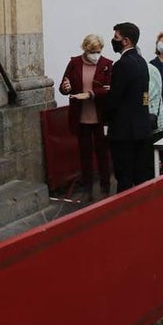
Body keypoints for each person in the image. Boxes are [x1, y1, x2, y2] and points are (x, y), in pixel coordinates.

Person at [59, 34, 114, 201]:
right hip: (81, 116)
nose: (95, 55)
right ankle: (87, 188)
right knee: (84, 154)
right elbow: (64, 86)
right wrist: (65, 88)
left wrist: (91, 94)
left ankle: (105, 186)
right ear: (85, 50)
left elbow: (110, 88)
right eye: (92, 51)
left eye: (98, 51)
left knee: (102, 153)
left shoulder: (107, 64)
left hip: (100, 116)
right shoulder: (74, 63)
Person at [106, 22, 154, 192]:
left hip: (124, 131)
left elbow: (115, 97)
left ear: (126, 41)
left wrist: (106, 117)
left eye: (116, 37)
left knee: (124, 177)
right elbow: (142, 94)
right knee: (140, 175)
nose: (113, 40)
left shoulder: (122, 64)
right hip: (141, 127)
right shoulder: (141, 61)